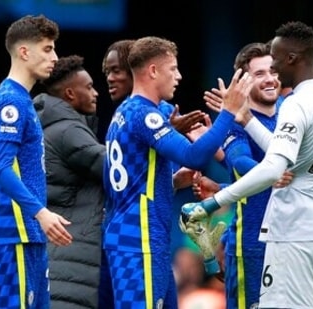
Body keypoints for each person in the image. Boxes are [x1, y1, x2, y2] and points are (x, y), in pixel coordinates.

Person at [182, 21, 313, 309]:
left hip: (293, 228)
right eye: (261, 71)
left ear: (292, 58)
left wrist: (213, 201)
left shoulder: (293, 104)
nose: (273, 72)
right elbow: (274, 156)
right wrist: (244, 121)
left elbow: (272, 166)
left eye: (276, 63)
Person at [101, 35, 251, 308]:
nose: (179, 76)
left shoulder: (127, 111)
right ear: (153, 71)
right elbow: (194, 154)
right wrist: (228, 112)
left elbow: (135, 180)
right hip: (138, 240)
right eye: (173, 69)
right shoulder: (144, 115)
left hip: (140, 238)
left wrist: (169, 182)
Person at [0, 14, 73, 309]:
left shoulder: (13, 97)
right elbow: (2, 168)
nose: (54, 57)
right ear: (24, 52)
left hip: (20, 230)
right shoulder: (13, 101)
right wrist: (40, 213)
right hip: (14, 229)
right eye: (47, 49)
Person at [33, 55, 104, 309]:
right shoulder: (68, 131)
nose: (96, 93)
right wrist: (158, 137)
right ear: (70, 94)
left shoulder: (54, 127)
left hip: (61, 256)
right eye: (89, 87)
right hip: (71, 261)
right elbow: (116, 169)